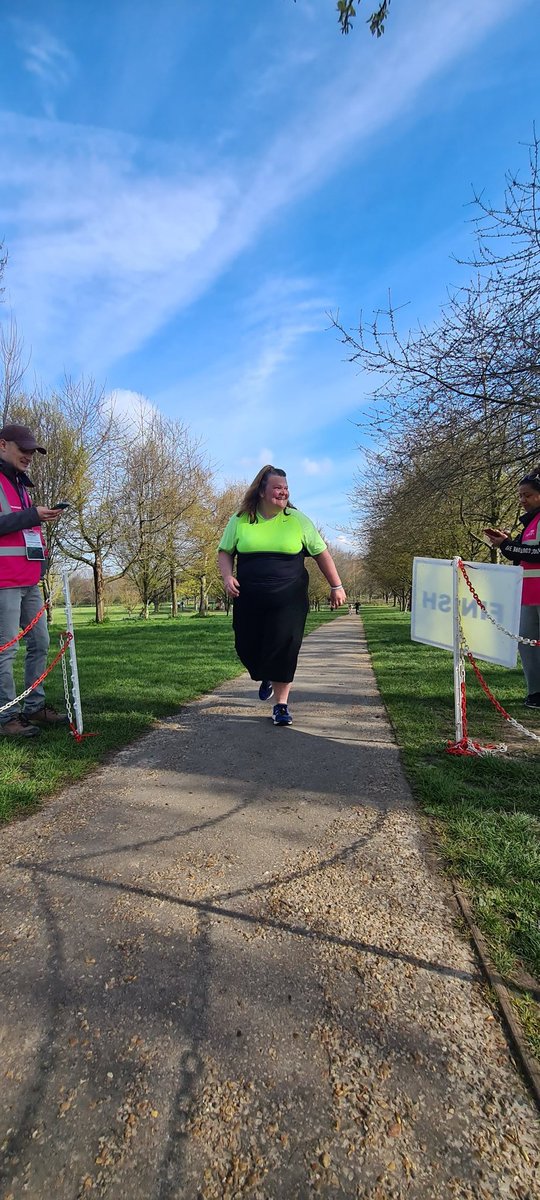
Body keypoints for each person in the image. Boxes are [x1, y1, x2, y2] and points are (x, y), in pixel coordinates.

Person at [217, 465, 347, 726]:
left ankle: (281, 706)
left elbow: (322, 553)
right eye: (277, 488)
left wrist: (336, 586)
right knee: (246, 646)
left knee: (286, 647)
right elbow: (225, 551)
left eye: (286, 488)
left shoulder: (298, 520)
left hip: (290, 599)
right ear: (262, 491)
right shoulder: (241, 519)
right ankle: (265, 673)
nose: (283, 492)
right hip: (249, 598)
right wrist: (227, 577)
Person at [0, 423, 68, 737]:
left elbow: (23, 532)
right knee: (6, 650)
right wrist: (33, 516)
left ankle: (34, 706)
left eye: (32, 451)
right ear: (3, 445)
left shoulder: (23, 486)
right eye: (23, 449)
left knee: (39, 643)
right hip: (4, 581)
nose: (29, 455)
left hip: (29, 579)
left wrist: (43, 552)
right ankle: (6, 717)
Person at [484, 470, 540, 709]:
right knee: (526, 645)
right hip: (527, 595)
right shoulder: (529, 524)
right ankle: (535, 693)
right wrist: (506, 544)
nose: (522, 500)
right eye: (519, 496)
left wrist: (509, 545)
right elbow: (522, 556)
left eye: (526, 495)